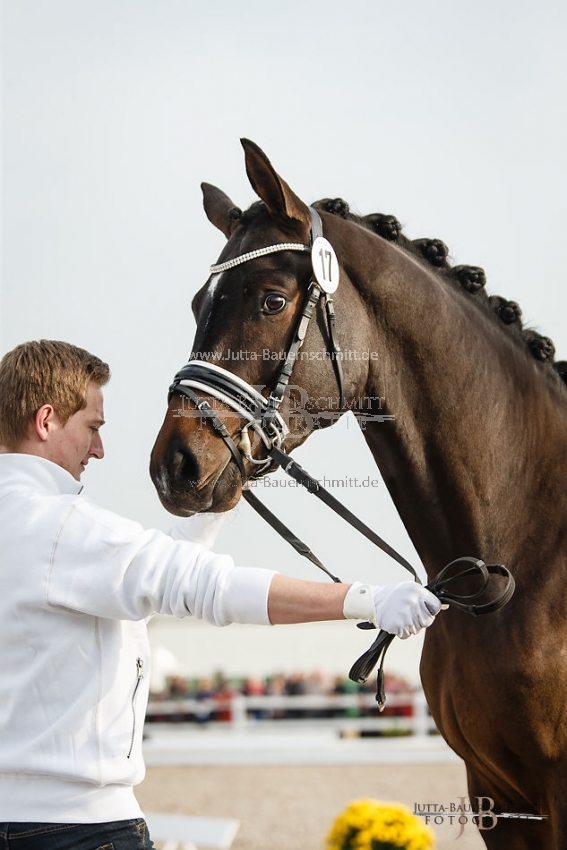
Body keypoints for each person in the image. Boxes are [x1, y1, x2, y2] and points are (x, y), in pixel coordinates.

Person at [0, 340, 441, 849]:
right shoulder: (63, 528)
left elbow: (157, 573)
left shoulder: (42, 532)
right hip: (79, 827)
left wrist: (230, 486)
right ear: (47, 420)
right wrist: (367, 599)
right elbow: (209, 587)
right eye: (93, 428)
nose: (99, 450)